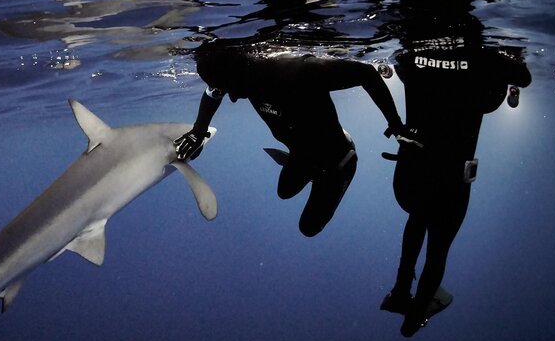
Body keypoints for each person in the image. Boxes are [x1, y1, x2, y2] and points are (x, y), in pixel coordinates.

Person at [378, 0, 532, 337]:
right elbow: (523, 77)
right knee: (440, 245)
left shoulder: (410, 55)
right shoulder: (484, 59)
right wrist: (507, 67)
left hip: (412, 170)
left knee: (417, 217)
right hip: (452, 174)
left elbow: (394, 66)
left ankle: (401, 289)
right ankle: (415, 315)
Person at [174, 39, 415, 237]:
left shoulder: (295, 71)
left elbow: (366, 73)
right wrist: (198, 131)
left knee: (308, 228)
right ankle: (308, 165)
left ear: (236, 71)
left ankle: (345, 160)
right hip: (302, 153)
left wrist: (395, 123)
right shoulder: (236, 74)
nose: (232, 98)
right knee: (284, 192)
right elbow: (213, 94)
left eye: (228, 88)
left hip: (336, 159)